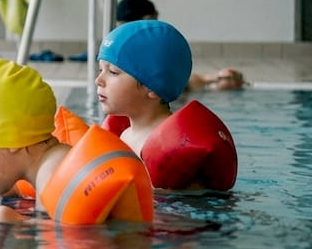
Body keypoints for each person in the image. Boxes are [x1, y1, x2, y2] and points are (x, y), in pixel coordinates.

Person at [0, 59, 153, 224]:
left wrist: (19, 223)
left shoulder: (52, 175)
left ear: (11, 142)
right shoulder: (48, 162)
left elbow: (67, 238)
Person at [96, 20, 237, 191]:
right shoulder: (123, 134)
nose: (99, 80)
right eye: (100, 70)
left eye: (112, 72)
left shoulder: (173, 148)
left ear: (152, 87)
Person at [115, 0, 247, 91]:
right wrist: (213, 80)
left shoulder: (113, 50)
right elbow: (174, 85)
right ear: (149, 19)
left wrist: (212, 78)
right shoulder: (148, 51)